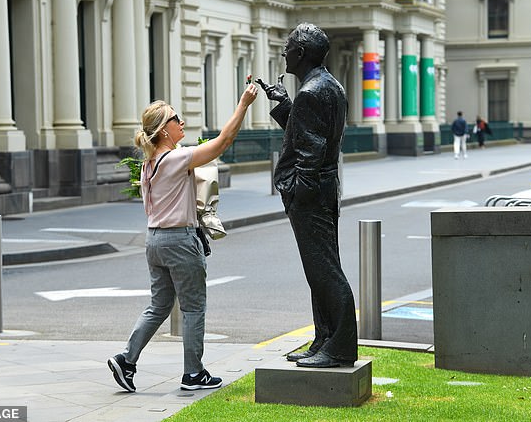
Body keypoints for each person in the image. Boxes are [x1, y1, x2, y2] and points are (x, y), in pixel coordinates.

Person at [107, 83, 258, 392]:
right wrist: (243, 103)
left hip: (155, 241)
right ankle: (193, 374)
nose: (182, 123)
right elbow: (223, 142)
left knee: (159, 305)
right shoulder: (174, 159)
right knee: (192, 308)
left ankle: (127, 360)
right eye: (176, 118)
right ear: (164, 130)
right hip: (179, 241)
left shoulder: (149, 165)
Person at [256, 22, 357, 368]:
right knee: (320, 271)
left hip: (311, 195)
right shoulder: (329, 86)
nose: (284, 51)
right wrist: (285, 106)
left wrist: (294, 191)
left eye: (287, 47)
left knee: (325, 270)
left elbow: (310, 154)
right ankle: (324, 338)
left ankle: (340, 346)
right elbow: (308, 134)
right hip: (323, 189)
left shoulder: (312, 92)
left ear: (300, 54)